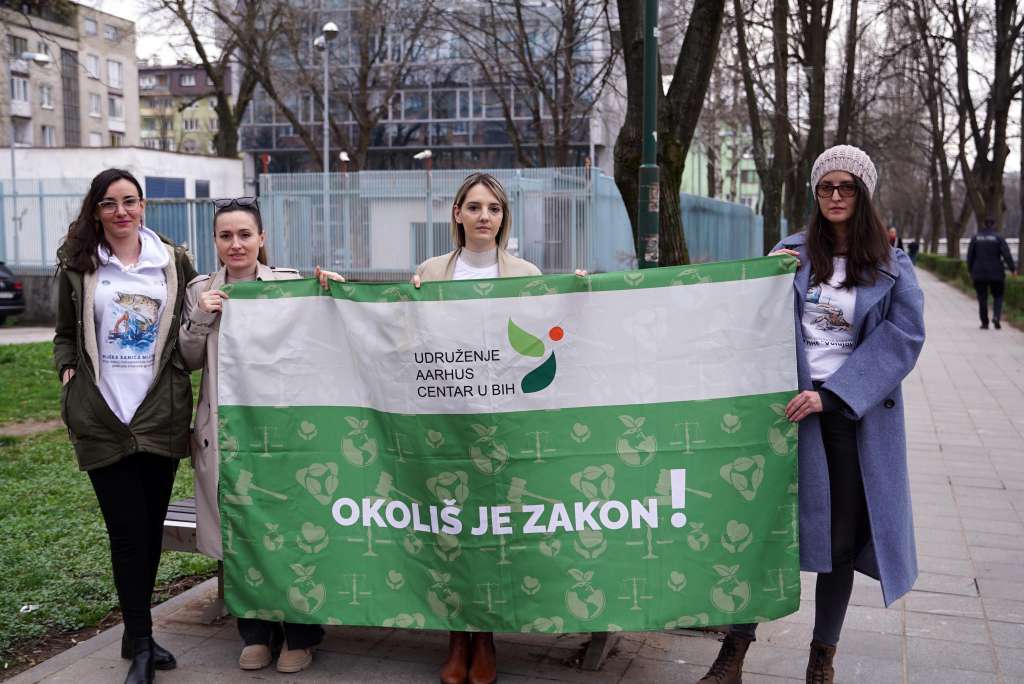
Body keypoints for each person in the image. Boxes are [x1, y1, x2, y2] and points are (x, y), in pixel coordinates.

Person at [697, 145, 925, 684]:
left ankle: (822, 658)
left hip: (848, 415)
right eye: (827, 187)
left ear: (864, 194)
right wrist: (773, 279)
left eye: (847, 187)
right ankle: (733, 653)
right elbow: (748, 321)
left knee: (839, 544)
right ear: (816, 193)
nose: (836, 196)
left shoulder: (892, 264)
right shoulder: (790, 253)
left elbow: (904, 336)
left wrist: (834, 395)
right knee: (763, 531)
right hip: (786, 413)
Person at [53, 168, 198, 684]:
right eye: (110, 203)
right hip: (103, 417)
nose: (122, 212)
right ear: (96, 211)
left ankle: (136, 635)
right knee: (127, 535)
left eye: (130, 201)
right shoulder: (79, 264)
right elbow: (64, 333)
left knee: (150, 532)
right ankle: (141, 644)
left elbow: (191, 326)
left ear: (143, 206)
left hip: (160, 414)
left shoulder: (172, 262)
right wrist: (69, 376)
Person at [178, 197, 325, 674]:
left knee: (290, 531)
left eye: (245, 234)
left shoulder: (288, 285)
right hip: (226, 431)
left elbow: (319, 339)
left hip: (280, 432)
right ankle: (256, 632)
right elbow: (187, 359)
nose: (236, 244)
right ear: (215, 242)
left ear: (261, 238)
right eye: (226, 236)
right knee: (240, 532)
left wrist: (331, 290)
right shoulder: (201, 290)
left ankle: (300, 635)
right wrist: (201, 317)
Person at [417, 172, 540, 684]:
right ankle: (456, 636)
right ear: (457, 214)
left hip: (502, 422)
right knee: (451, 529)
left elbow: (541, 340)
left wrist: (579, 293)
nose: (483, 216)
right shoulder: (429, 272)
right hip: (446, 422)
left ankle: (485, 637)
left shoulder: (526, 273)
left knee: (492, 529)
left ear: (503, 216)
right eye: (474, 207)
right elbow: (406, 337)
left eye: (493, 208)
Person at [966, 217, 1017, 329]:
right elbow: (1006, 254)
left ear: (983, 224)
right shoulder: (998, 238)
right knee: (998, 296)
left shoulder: (975, 238)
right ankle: (996, 317)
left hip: (979, 273)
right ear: (994, 225)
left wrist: (970, 270)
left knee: (982, 298)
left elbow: (970, 256)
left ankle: (985, 323)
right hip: (996, 273)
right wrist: (1012, 269)